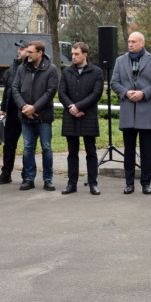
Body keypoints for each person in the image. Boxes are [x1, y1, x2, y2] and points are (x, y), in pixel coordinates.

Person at [111, 31, 151, 195]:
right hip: (128, 110)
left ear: (142, 43)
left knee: (146, 150)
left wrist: (144, 93)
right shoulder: (120, 61)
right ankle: (129, 183)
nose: (130, 44)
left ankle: (146, 183)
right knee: (128, 151)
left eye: (133, 41)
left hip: (146, 110)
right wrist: (126, 92)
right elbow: (114, 82)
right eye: (128, 41)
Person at [10, 40, 59, 191]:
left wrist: (34, 107)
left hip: (43, 116)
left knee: (46, 147)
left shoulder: (51, 69)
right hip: (25, 115)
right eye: (27, 52)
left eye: (31, 52)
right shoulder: (22, 68)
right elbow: (15, 88)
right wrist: (24, 107)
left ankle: (48, 179)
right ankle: (29, 178)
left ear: (40, 53)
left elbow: (50, 92)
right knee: (28, 147)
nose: (27, 54)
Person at [59, 41, 105, 195]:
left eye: (76, 54)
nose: (73, 56)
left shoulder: (96, 72)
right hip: (71, 116)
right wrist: (72, 107)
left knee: (90, 151)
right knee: (72, 153)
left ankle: (93, 183)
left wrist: (79, 107)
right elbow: (61, 93)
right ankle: (72, 184)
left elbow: (96, 94)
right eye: (72, 53)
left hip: (88, 116)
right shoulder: (66, 72)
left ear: (85, 55)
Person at [0, 40, 29, 185]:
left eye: (22, 49)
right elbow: (7, 89)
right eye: (18, 49)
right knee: (8, 144)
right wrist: (3, 108)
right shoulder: (14, 66)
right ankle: (6, 173)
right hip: (12, 112)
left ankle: (27, 174)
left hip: (27, 112)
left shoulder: (32, 67)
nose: (18, 51)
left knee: (28, 145)